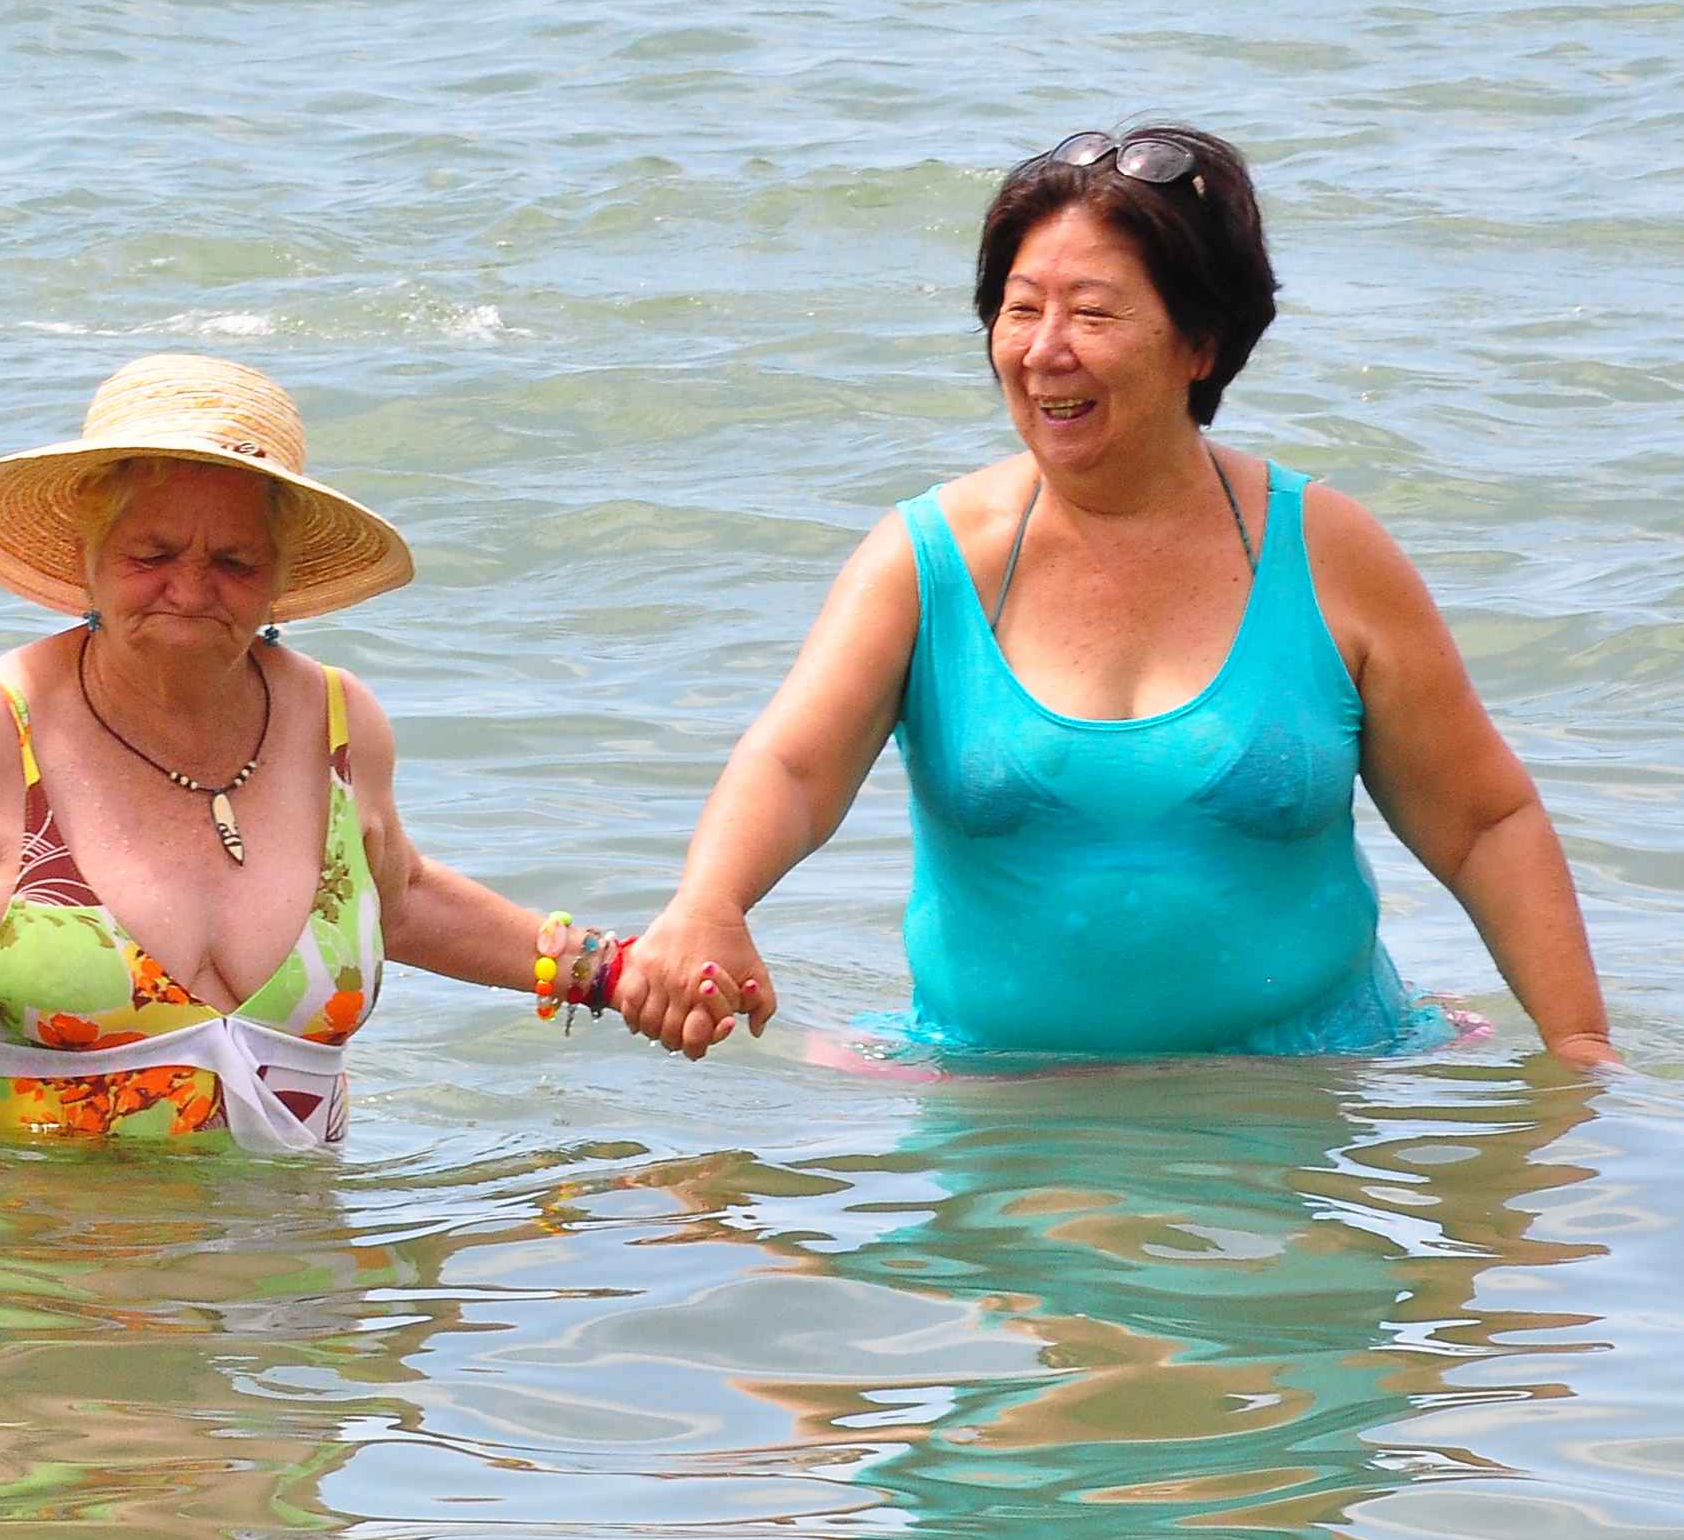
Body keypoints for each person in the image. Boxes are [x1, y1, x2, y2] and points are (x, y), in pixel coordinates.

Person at [621, 128, 1618, 1070]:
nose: (1043, 349)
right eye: (1020, 308)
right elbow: (793, 766)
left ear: (1202, 343)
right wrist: (710, 900)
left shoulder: (1328, 552)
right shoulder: (927, 560)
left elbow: (1483, 823)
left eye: (1092, 313)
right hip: (999, 1106)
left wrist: (1579, 1056)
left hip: (1303, 1101)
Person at [0, 357, 623, 1148]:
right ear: (84, 558)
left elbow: (401, 899)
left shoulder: (339, 721)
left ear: (282, 577)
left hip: (293, 1278)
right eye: (153, 553)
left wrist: (608, 971)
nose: (191, 588)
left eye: (236, 561)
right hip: (25, 1271)